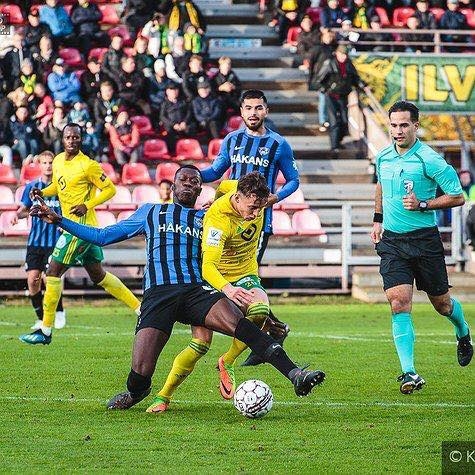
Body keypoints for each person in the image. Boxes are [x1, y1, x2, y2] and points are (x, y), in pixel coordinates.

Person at [30, 165, 325, 410]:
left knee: (244, 326)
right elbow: (103, 236)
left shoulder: (208, 218)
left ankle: (296, 374)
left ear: (199, 190)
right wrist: (59, 220)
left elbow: (244, 215)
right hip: (158, 294)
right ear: (172, 186)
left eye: (194, 182)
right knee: (140, 374)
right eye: (183, 180)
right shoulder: (150, 212)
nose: (188, 184)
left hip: (196, 290)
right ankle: (136, 393)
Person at [148, 172, 290, 413]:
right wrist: (227, 289)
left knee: (259, 310)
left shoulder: (248, 194)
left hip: (245, 271)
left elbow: (224, 185)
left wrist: (215, 196)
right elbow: (208, 266)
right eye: (253, 207)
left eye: (260, 207)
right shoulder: (217, 219)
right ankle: (163, 396)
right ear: (239, 197)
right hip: (215, 277)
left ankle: (228, 361)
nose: (256, 214)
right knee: (201, 343)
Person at [370, 101, 472, 394]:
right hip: (392, 241)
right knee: (398, 301)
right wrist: (377, 219)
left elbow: (457, 196)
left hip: (425, 240)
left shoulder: (431, 159)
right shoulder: (384, 157)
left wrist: (423, 204)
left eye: (404, 125)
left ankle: (462, 331)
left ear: (416, 125)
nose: (398, 131)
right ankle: (409, 372)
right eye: (393, 125)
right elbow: (380, 186)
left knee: (442, 305)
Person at [199, 89, 299, 366]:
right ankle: (274, 330)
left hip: (255, 224)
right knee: (227, 277)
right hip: (227, 216)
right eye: (248, 108)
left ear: (266, 111)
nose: (253, 113)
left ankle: (265, 333)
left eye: (258, 108)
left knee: (244, 278)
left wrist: (273, 199)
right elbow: (216, 172)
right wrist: (192, 175)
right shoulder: (232, 140)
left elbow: (293, 180)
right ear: (241, 112)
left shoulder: (278, 144)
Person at [19, 123, 141, 345]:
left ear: (81, 139)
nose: (72, 140)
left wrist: (88, 203)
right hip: (75, 227)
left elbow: (110, 189)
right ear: (62, 138)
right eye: (68, 137)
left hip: (80, 227)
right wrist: (42, 192)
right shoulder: (57, 161)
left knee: (53, 271)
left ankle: (45, 330)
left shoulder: (88, 165)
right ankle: (140, 308)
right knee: (99, 276)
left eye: (76, 137)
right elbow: (59, 186)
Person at [11, 151, 66, 330]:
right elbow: (25, 209)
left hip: (56, 242)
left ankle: (58, 312)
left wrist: (65, 225)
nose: (48, 166)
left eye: (51, 162)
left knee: (50, 278)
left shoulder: (61, 188)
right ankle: (42, 318)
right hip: (35, 242)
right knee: (32, 280)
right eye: (44, 163)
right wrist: (16, 215)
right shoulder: (32, 187)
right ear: (39, 165)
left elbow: (67, 212)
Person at [312, 44, 366, 151]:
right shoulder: (329, 64)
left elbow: (355, 78)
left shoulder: (348, 65)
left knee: (344, 120)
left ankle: (339, 141)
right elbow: (318, 80)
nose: (344, 57)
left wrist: (363, 86)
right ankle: (334, 146)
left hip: (343, 95)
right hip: (331, 95)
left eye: (345, 55)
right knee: (334, 120)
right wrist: (325, 89)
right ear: (337, 53)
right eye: (342, 54)